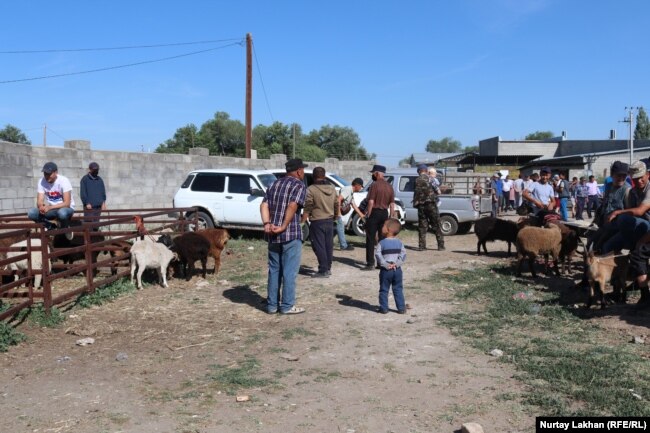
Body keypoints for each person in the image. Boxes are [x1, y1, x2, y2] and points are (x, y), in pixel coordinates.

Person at [259, 158, 308, 315]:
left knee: (274, 269)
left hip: (272, 234)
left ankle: (272, 305)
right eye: (302, 170)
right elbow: (293, 205)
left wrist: (267, 223)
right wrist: (283, 226)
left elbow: (264, 204)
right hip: (290, 233)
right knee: (289, 271)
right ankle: (287, 305)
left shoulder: (274, 183)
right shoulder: (299, 185)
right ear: (299, 171)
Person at [597, 160, 650, 253]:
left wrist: (617, 212)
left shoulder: (628, 190)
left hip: (647, 228)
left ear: (647, 175)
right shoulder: (633, 192)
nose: (639, 181)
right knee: (607, 247)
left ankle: (632, 246)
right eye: (635, 178)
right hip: (637, 227)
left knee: (623, 219)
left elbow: (639, 211)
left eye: (641, 177)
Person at [302, 166, 338, 278]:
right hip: (330, 220)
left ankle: (323, 270)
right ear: (324, 175)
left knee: (318, 246)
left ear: (313, 176)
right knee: (328, 246)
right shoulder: (332, 189)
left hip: (317, 221)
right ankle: (328, 267)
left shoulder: (311, 189)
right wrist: (336, 216)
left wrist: (303, 221)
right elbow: (337, 204)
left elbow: (308, 206)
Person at [588, 161, 631, 253]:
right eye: (619, 175)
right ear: (612, 175)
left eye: (624, 176)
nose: (621, 178)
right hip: (605, 225)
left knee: (604, 248)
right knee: (590, 244)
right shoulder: (608, 186)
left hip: (618, 228)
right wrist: (597, 218)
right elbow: (605, 204)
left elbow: (630, 211)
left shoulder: (627, 190)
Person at [27, 162, 75, 240]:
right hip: (52, 209)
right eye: (45, 174)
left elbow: (67, 203)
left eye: (49, 174)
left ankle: (65, 228)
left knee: (62, 213)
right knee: (32, 213)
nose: (46, 176)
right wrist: (41, 206)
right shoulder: (41, 181)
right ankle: (51, 227)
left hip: (66, 209)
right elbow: (39, 200)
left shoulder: (64, 181)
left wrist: (49, 207)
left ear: (56, 172)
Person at [363, 165, 395, 271]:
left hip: (375, 213)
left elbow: (371, 201)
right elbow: (392, 204)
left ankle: (370, 263)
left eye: (373, 173)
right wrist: (390, 218)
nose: (372, 175)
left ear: (377, 173)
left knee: (370, 239)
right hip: (384, 214)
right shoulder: (389, 186)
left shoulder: (374, 185)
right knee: (382, 240)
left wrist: (368, 214)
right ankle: (380, 263)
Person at [374, 218, 407, 314]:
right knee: (398, 288)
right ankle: (401, 308)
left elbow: (378, 254)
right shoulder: (399, 243)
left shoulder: (381, 243)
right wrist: (396, 264)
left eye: (384, 225)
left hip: (386, 270)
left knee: (384, 289)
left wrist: (385, 264)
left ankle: (384, 308)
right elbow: (403, 255)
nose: (382, 227)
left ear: (388, 230)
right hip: (397, 270)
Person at [413, 164, 444, 251]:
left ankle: (422, 246)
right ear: (426, 171)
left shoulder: (416, 180)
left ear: (419, 171)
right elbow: (438, 191)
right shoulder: (431, 179)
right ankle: (441, 246)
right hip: (431, 205)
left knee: (422, 226)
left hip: (421, 206)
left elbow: (415, 193)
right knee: (436, 225)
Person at [335, 178, 363, 251]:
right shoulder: (348, 189)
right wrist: (338, 213)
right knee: (340, 227)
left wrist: (361, 215)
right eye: (360, 186)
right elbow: (338, 199)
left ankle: (342, 243)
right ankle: (343, 246)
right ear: (357, 185)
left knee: (337, 227)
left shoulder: (351, 192)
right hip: (335, 211)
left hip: (336, 211)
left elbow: (353, 205)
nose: (361, 188)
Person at [80, 162, 107, 229]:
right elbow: (83, 192)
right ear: (90, 169)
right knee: (89, 225)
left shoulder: (100, 179)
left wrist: (103, 203)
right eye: (94, 170)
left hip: (98, 207)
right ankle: (88, 239)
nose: (96, 171)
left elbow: (102, 192)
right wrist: (87, 203)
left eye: (97, 170)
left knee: (96, 225)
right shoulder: (85, 179)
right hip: (89, 207)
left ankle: (96, 238)